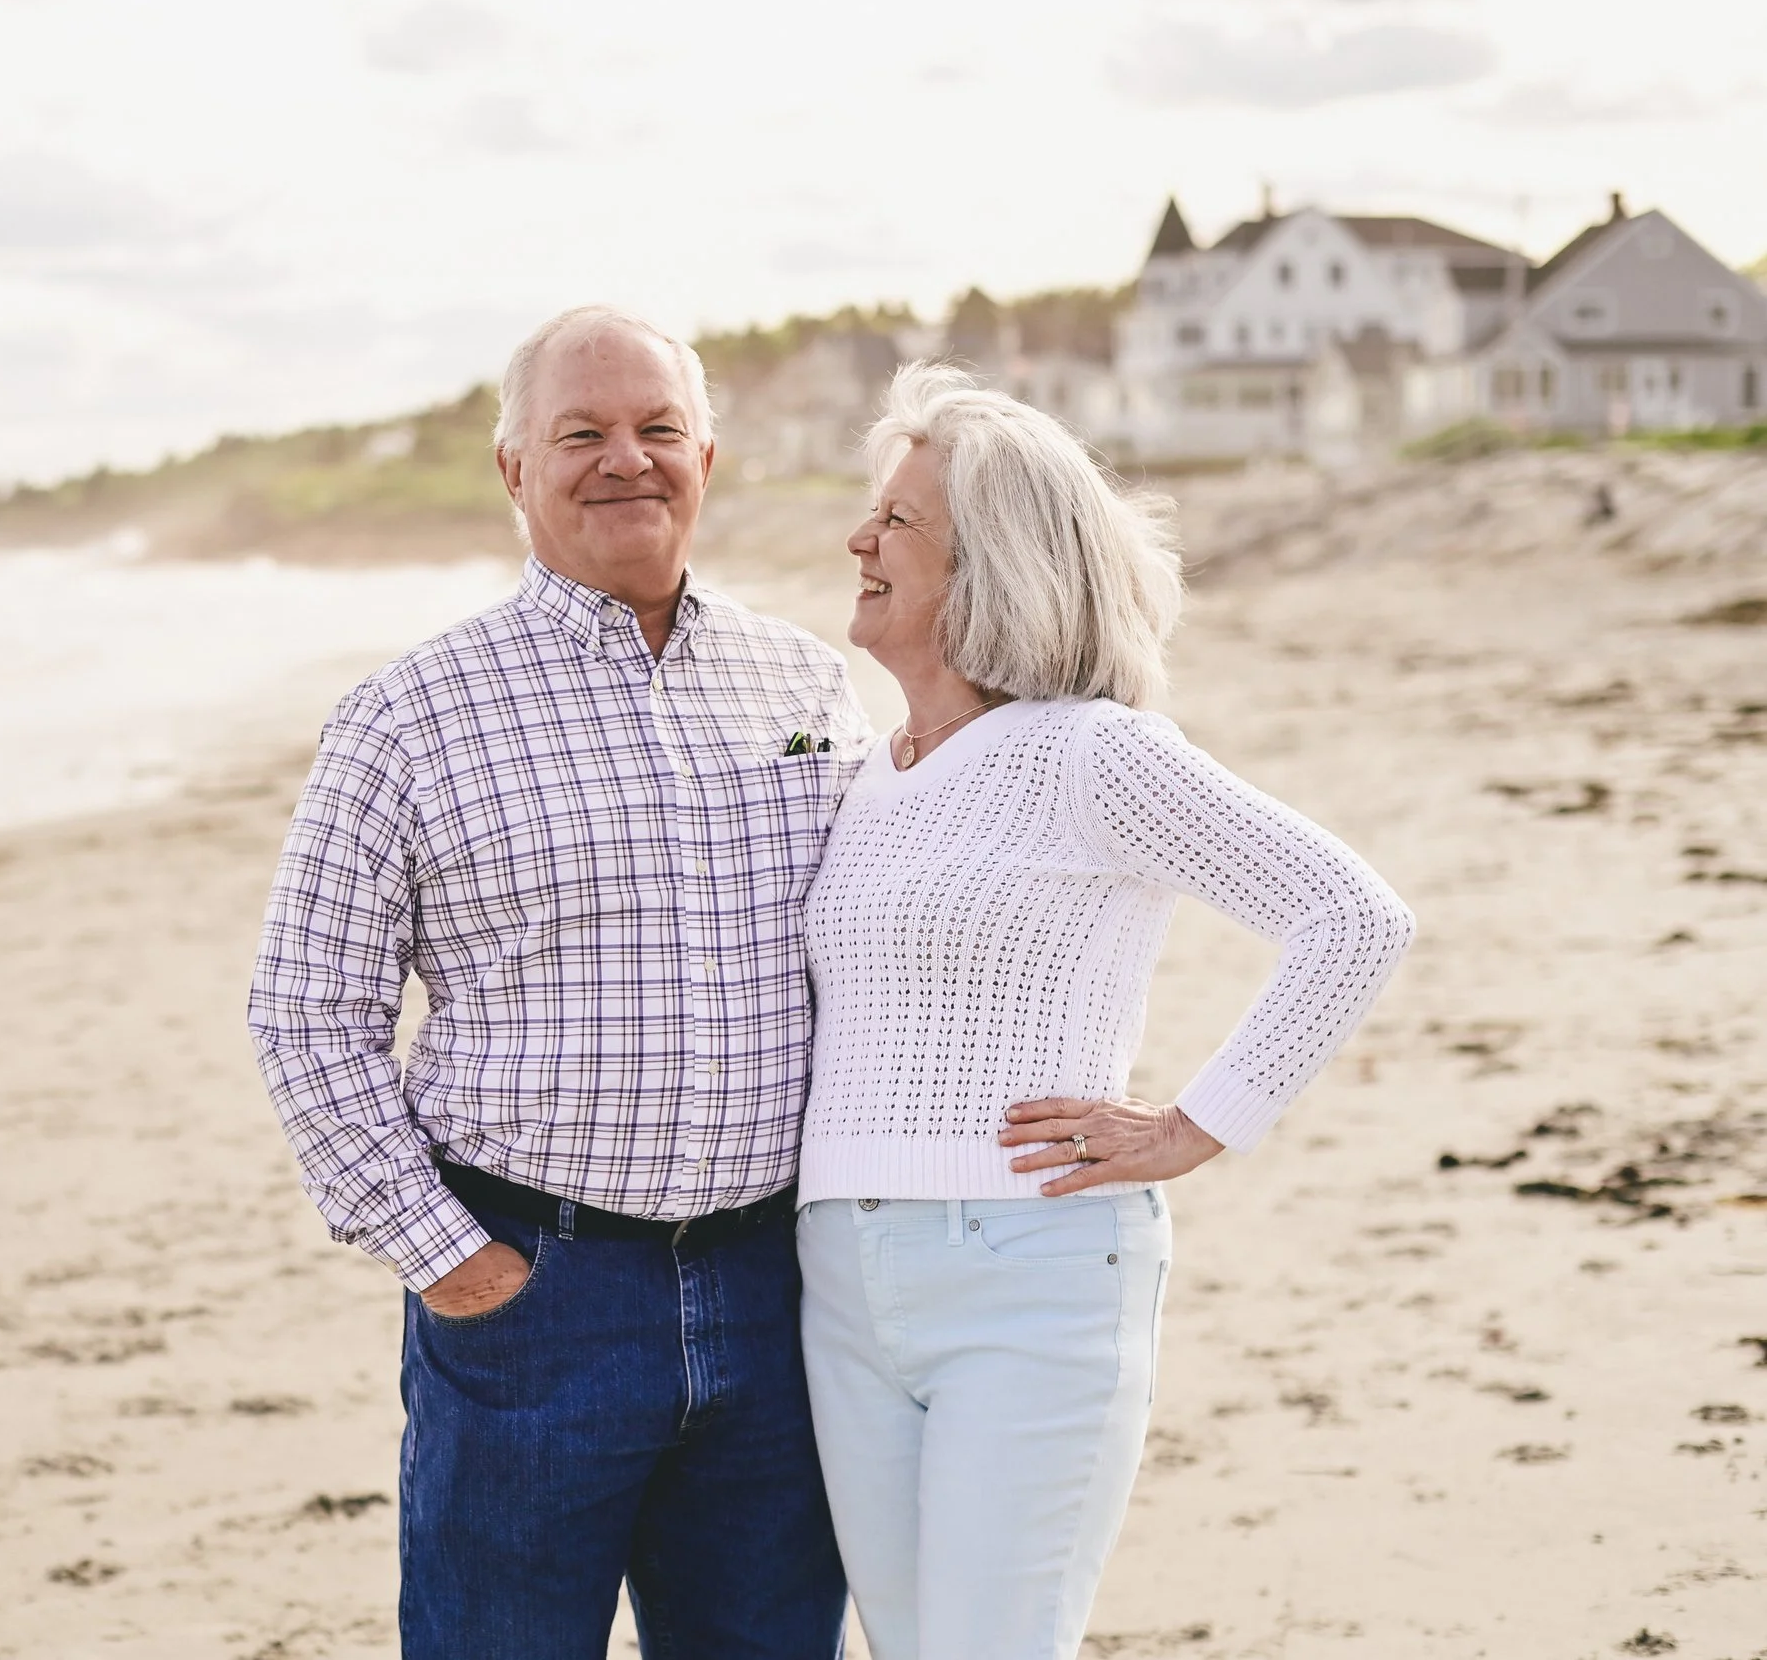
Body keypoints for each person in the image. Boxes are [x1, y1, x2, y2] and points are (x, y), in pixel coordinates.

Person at [249, 305, 867, 1658]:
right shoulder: (409, 715)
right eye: (581, 433)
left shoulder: (807, 683)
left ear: (707, 456)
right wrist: (447, 1258)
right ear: (514, 468)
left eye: (658, 429)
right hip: (536, 1299)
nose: (625, 459)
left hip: (779, 1293)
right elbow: (309, 1013)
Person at [795, 363, 1416, 1660]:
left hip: (1031, 1274)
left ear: (995, 564)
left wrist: (1192, 1126)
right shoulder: (865, 775)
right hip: (839, 1279)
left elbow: (1352, 917)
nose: (858, 538)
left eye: (898, 519)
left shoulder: (1092, 752)